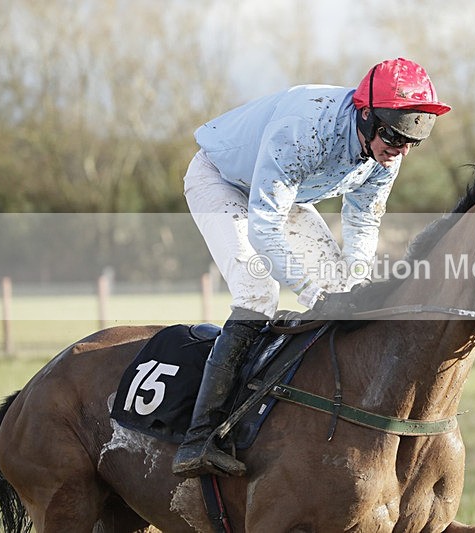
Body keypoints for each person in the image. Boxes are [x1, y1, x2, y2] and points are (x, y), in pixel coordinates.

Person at [172, 57, 451, 478]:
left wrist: (353, 284)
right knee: (258, 292)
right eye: (394, 135)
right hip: (222, 181)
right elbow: (265, 227)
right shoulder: (303, 131)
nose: (400, 150)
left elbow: (363, 220)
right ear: (366, 114)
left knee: (340, 285)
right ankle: (199, 439)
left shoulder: (387, 153)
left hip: (289, 197)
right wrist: (311, 292)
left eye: (414, 140)